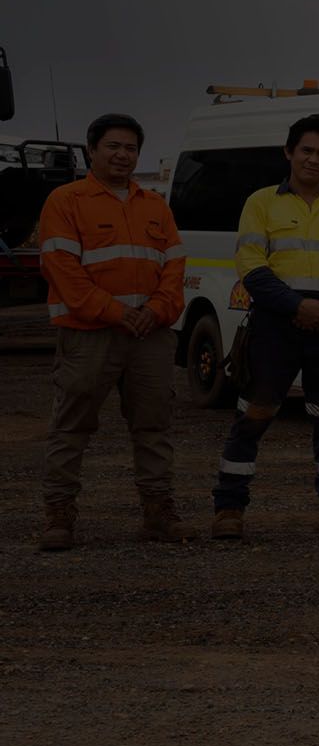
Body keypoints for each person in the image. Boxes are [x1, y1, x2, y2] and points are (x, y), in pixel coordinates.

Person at [211, 114, 319, 541]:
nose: (314, 159)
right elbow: (252, 268)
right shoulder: (261, 203)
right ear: (289, 152)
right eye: (306, 150)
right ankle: (229, 510)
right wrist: (296, 306)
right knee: (253, 417)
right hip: (274, 327)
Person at [37, 113, 190, 550]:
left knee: (154, 425)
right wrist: (117, 312)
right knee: (71, 426)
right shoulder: (65, 201)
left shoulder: (155, 205)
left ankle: (158, 512)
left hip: (149, 335)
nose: (123, 155)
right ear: (91, 151)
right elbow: (63, 272)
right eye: (113, 146)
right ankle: (59, 516)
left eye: (130, 148)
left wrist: (156, 310)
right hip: (89, 335)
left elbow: (174, 267)